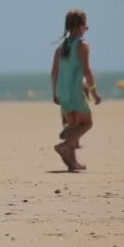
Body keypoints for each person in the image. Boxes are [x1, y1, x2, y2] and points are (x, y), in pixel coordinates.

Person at [51, 9, 101, 171]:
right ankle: (64, 144)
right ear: (80, 26)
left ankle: (72, 163)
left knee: (73, 123)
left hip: (62, 90)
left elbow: (54, 72)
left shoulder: (61, 47)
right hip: (75, 90)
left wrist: (54, 93)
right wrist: (94, 91)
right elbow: (86, 70)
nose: (86, 28)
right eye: (85, 25)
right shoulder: (82, 45)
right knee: (86, 123)